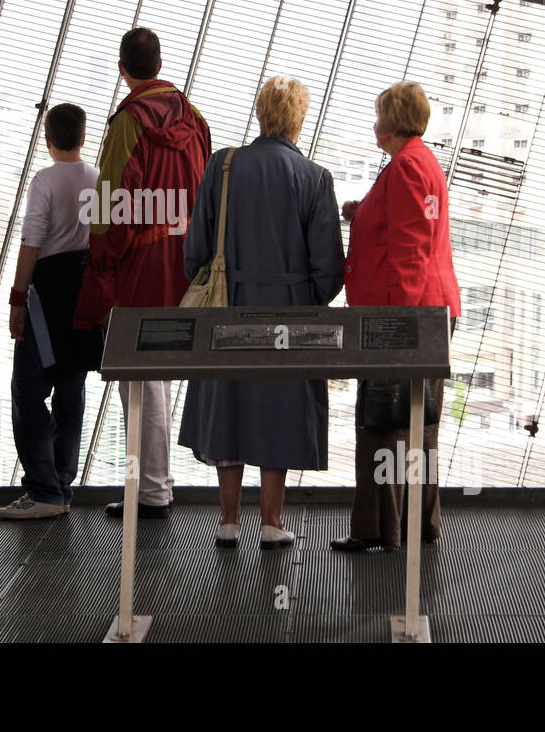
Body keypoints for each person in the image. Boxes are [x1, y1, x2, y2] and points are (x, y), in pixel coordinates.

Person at [178, 76, 344, 549]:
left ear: (259, 112)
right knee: (280, 408)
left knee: (227, 403)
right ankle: (271, 521)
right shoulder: (314, 177)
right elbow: (327, 265)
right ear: (299, 117)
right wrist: (314, 298)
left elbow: (197, 249)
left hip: (229, 304)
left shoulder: (223, 165)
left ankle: (228, 520)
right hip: (288, 311)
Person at [74, 27, 211, 519]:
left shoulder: (129, 122)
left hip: (142, 264)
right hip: (186, 260)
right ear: (159, 62)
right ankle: (159, 481)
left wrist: (103, 264)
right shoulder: (194, 117)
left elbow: (112, 203)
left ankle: (151, 489)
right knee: (162, 374)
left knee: (141, 376)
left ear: (122, 67)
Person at [332, 81, 461, 552]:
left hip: (402, 314)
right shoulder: (421, 162)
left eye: (377, 114)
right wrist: (362, 212)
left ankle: (382, 530)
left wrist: (398, 330)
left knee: (383, 424)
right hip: (430, 308)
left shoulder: (405, 168)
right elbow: (412, 229)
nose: (373, 123)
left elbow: (410, 250)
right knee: (419, 425)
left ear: (390, 122)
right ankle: (417, 524)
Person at [0, 104, 102, 519]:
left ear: (47, 138)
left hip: (48, 291)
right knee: (71, 389)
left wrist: (17, 298)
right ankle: (61, 485)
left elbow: (32, 241)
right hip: (84, 289)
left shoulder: (44, 180)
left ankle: (44, 490)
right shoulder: (97, 178)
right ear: (82, 135)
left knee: (28, 389)